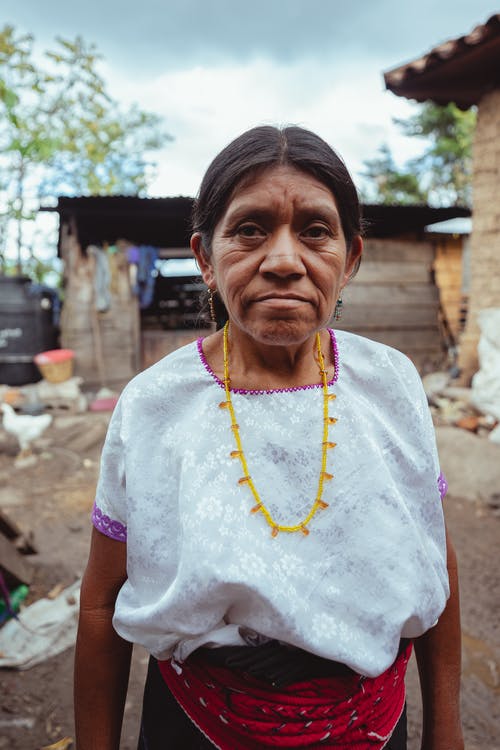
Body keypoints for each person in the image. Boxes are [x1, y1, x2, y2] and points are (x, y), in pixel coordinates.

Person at [74, 125, 463, 750]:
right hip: (198, 723)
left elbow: (432, 563)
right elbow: (100, 602)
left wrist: (447, 730)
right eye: (250, 229)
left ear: (351, 257)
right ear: (205, 257)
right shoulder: (153, 404)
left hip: (369, 724)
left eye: (315, 230)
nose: (284, 260)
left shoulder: (391, 383)